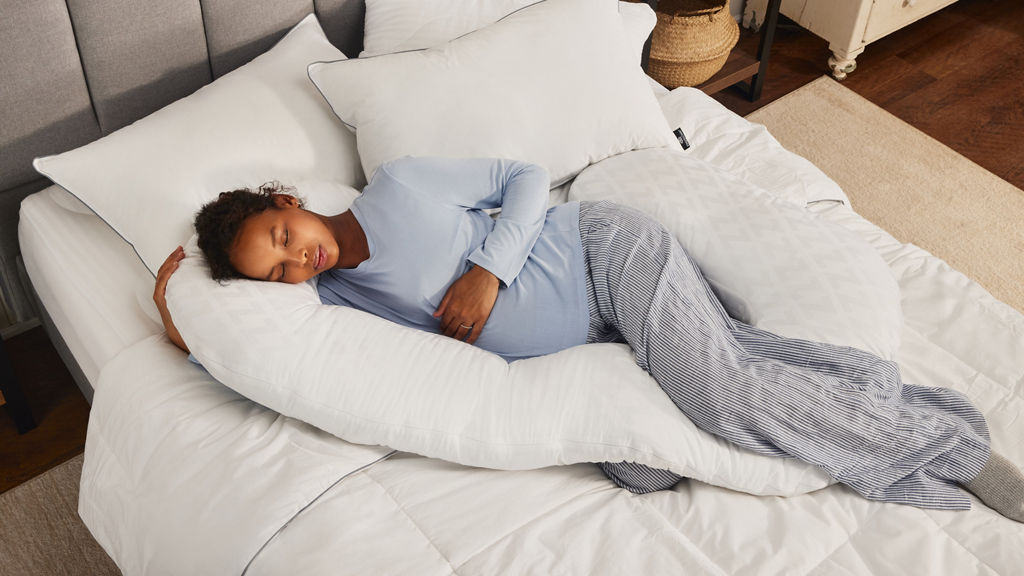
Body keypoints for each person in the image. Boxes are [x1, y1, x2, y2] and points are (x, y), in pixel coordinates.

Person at [154, 156, 1024, 522]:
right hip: (601, 341)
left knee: (720, 394)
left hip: (607, 254)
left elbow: (526, 177)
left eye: (278, 240)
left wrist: (489, 268)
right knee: (641, 468)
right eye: (274, 274)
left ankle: (948, 442)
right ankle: (876, 395)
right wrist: (172, 305)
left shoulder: (399, 185)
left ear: (285, 201)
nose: (293, 265)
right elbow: (242, 354)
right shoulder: (342, 302)